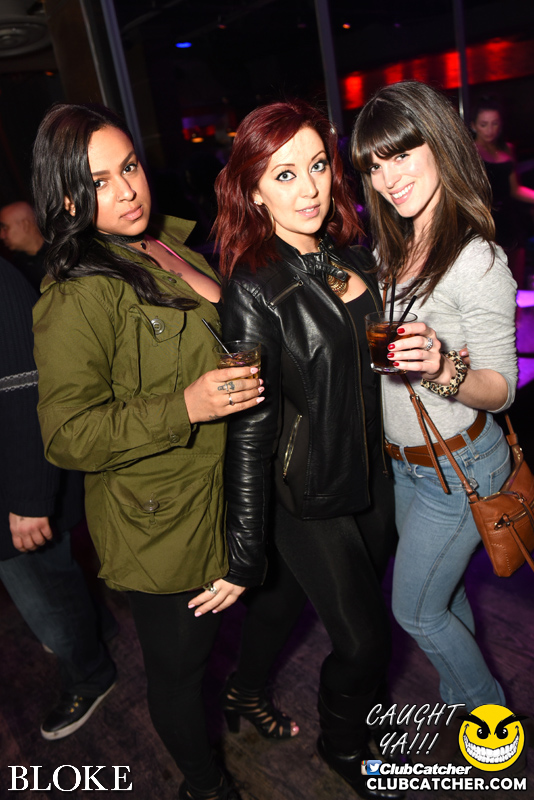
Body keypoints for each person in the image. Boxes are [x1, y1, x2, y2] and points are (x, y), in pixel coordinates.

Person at [31, 102, 264, 800]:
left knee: (268, 606)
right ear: (67, 197)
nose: (129, 190)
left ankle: (246, 696)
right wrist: (184, 405)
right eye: (100, 181)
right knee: (180, 669)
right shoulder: (76, 294)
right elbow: (67, 434)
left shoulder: (165, 243)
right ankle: (205, 786)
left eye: (129, 166)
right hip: (159, 522)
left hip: (228, 481)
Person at [212, 100, 402, 800]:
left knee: (295, 603)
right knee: (363, 640)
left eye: (318, 165)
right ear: (255, 191)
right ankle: (341, 742)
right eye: (285, 174)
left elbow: (381, 365)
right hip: (308, 494)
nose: (310, 188)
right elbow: (250, 426)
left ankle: (246, 688)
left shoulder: (355, 255)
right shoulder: (253, 287)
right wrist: (243, 549)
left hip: (375, 477)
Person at [352, 81, 517, 750]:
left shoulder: (476, 260)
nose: (388, 178)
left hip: (459, 468)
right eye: (373, 165)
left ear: (440, 144)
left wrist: (442, 366)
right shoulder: (393, 249)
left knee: (415, 610)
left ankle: (492, 723)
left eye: (400, 155)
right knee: (441, 600)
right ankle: (459, 691)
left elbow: (501, 388)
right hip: (408, 467)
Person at [0, 253, 117, 740]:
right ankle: (94, 629)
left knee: (45, 593)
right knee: (54, 585)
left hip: (16, 492)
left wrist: (30, 499)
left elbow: (26, 389)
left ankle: (91, 675)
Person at [471, 96, 534, 288]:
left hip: (511, 221)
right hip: (486, 222)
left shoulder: (507, 148)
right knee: (494, 285)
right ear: (474, 126)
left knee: (515, 281)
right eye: (484, 124)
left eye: (495, 123)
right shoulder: (470, 151)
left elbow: (515, 190)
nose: (490, 130)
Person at [0, 201, 47, 292]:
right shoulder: (16, 266)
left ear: (25, 225)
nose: (2, 235)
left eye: (5, 228)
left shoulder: (61, 252)